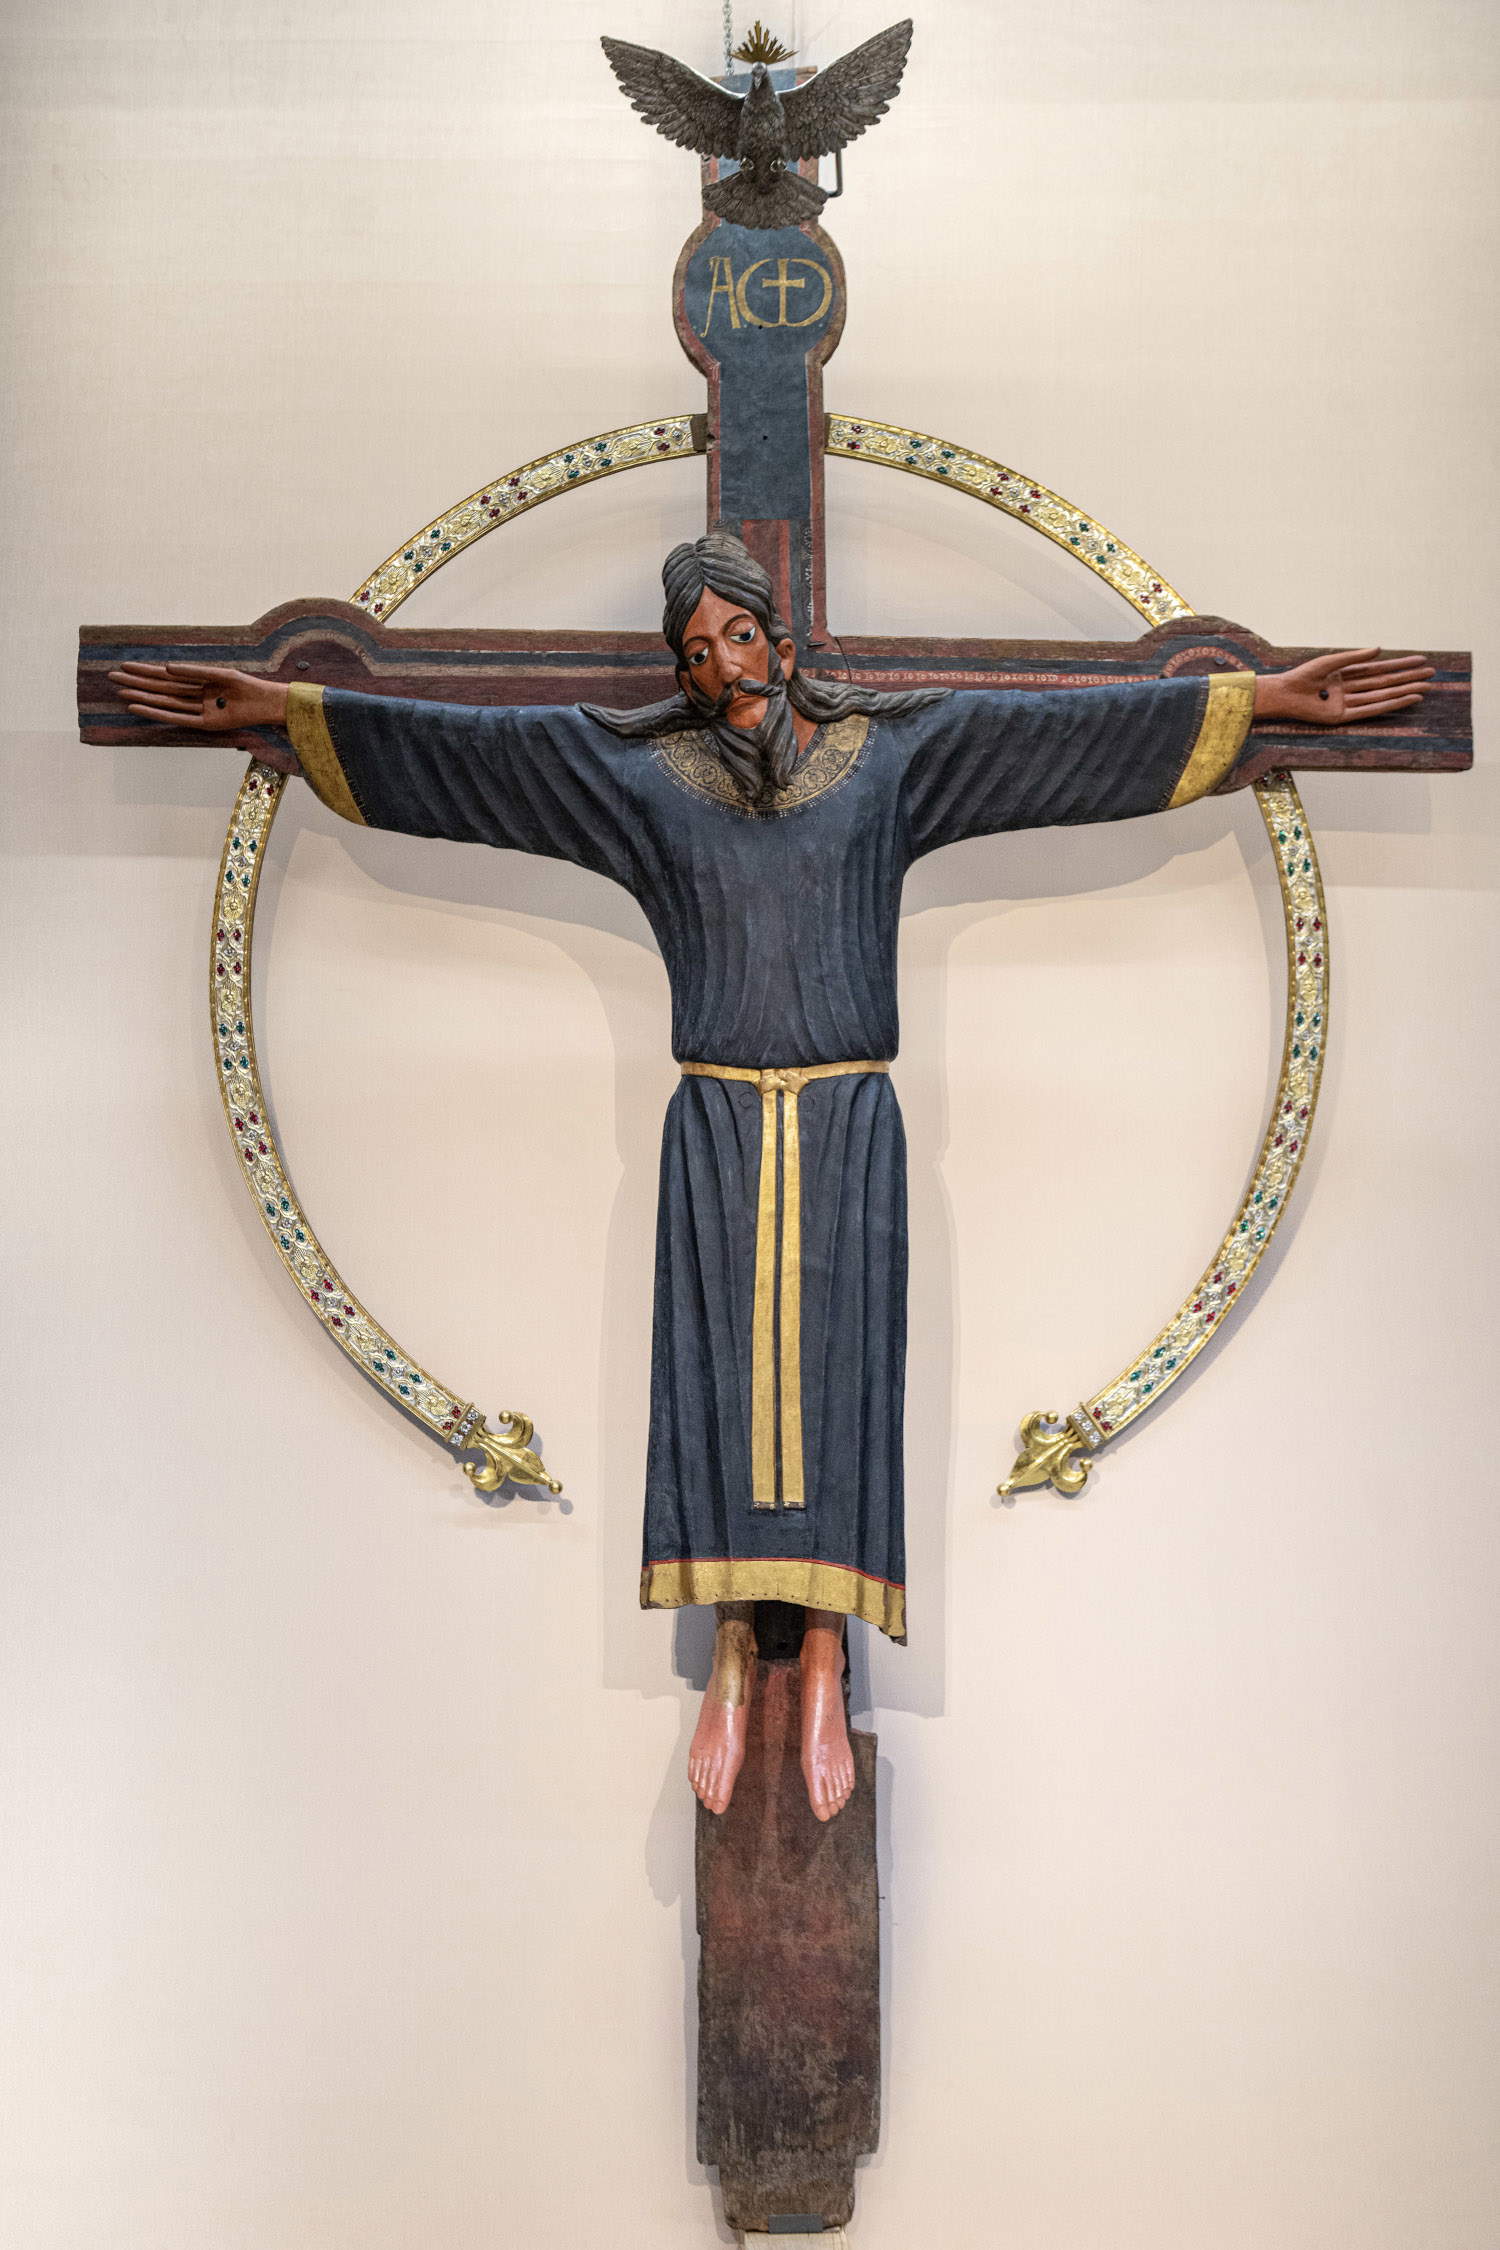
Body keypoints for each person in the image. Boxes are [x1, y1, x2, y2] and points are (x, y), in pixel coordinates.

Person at [111, 533, 1430, 1822]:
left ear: (783, 643)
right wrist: (285, 709)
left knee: (846, 1378)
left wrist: (1257, 704)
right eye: (696, 652)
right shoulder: (645, 782)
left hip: (852, 1119)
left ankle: (834, 1654)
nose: (724, 666)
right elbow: (472, 759)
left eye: (739, 635)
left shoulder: (893, 759)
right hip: (719, 1130)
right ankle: (739, 1648)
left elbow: (1056, 736)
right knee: (719, 1385)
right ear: (681, 675)